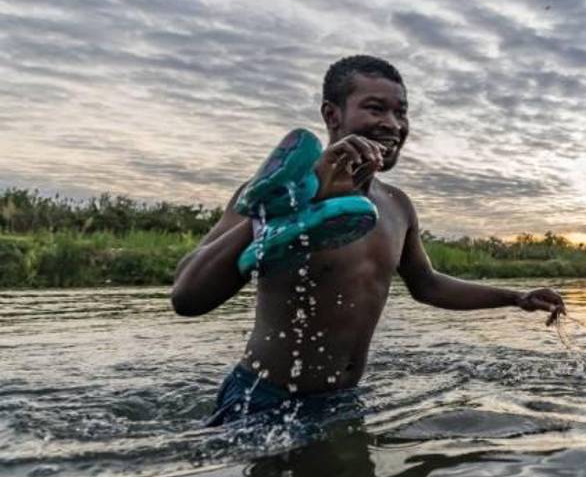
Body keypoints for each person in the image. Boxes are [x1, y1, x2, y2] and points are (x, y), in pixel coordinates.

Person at [170, 55, 565, 424]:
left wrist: (514, 298)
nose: (393, 125)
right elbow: (187, 297)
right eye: (376, 109)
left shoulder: (396, 206)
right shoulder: (275, 193)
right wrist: (298, 204)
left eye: (401, 112)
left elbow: (426, 284)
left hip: (345, 402)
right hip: (263, 403)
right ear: (332, 114)